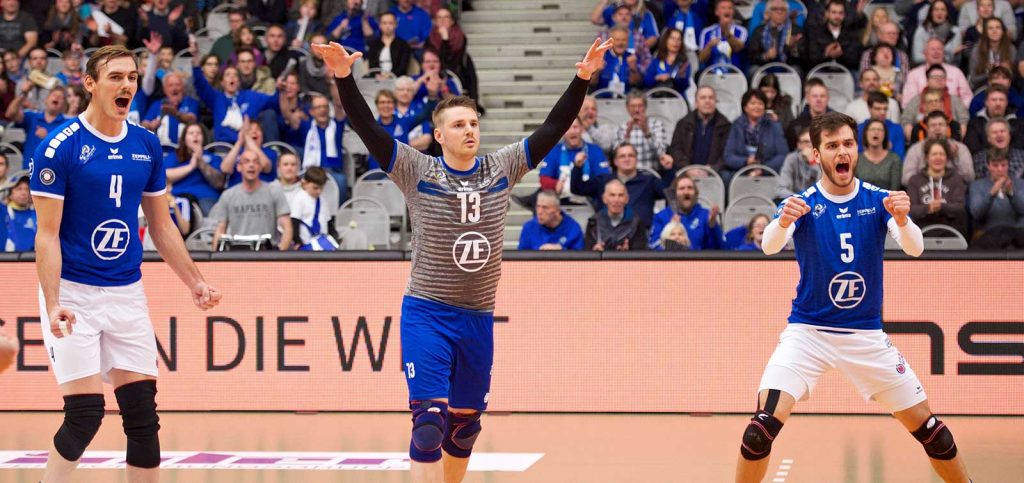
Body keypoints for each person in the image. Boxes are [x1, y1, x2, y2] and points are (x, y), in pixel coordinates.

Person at [312, 37, 613, 483]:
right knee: (429, 426)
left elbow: (552, 128)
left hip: (477, 317)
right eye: (458, 125)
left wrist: (582, 78)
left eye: (473, 123)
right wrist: (343, 76)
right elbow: (368, 128)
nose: (469, 130)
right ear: (439, 135)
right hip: (427, 313)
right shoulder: (417, 170)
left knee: (465, 427)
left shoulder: (501, 168)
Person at [735, 112, 973, 483]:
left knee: (933, 433)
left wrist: (904, 220)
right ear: (817, 155)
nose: (842, 152)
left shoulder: (878, 200)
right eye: (832, 146)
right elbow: (769, 246)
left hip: (865, 337)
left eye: (848, 143)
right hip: (808, 333)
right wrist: (782, 222)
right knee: (759, 430)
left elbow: (915, 248)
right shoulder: (802, 203)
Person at [29, 44, 221, 483]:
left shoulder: (146, 144)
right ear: (90, 83)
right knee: (85, 415)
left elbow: (161, 224)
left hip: (126, 291)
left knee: (142, 416)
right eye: (115, 77)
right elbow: (47, 235)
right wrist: (54, 301)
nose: (127, 85)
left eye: (132, 77)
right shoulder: (59, 148)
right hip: (73, 291)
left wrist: (195, 281)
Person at [210, 149, 293, 251]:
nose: (251, 165)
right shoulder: (228, 195)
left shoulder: (274, 191)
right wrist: (215, 255)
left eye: (255, 162)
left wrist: (280, 254)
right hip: (237, 251)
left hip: (267, 252)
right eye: (247, 161)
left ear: (260, 167)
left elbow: (287, 227)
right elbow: (220, 230)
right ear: (239, 167)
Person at [572, 142, 669, 226]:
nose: (627, 159)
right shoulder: (603, 181)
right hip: (608, 233)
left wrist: (669, 170)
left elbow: (669, 193)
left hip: (642, 234)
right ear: (615, 161)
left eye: (631, 155)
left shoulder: (649, 181)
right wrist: (578, 167)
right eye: (622, 156)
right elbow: (577, 189)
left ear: (636, 159)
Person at [906, 138, 970, 236]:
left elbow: (959, 208)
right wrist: (929, 208)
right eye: (934, 154)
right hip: (922, 232)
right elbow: (912, 209)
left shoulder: (957, 179)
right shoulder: (915, 180)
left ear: (947, 158)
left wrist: (941, 206)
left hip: (951, 232)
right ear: (927, 158)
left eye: (942, 154)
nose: (938, 158)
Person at [538, 117, 610, 203]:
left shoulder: (595, 150)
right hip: (560, 201)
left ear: (582, 129)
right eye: (567, 128)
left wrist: (585, 187)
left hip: (590, 201)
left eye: (575, 127)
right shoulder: (554, 151)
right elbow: (544, 178)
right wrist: (555, 184)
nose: (572, 131)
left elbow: (603, 179)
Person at [724, 89, 788, 181]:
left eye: (760, 103)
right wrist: (746, 161)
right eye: (753, 103)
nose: (757, 107)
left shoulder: (774, 126)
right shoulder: (736, 125)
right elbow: (728, 156)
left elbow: (782, 155)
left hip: (767, 173)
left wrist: (762, 169)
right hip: (741, 171)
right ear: (745, 107)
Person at [164, 123, 225, 215]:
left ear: (203, 138)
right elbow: (164, 176)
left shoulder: (213, 157)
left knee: (213, 216)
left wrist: (201, 162)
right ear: (184, 139)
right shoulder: (175, 156)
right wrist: (190, 167)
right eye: (191, 133)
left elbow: (219, 183)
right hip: (179, 196)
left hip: (206, 196)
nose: (195, 135)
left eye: (199, 133)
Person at [649, 174, 722, 250]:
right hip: (671, 258)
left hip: (697, 257)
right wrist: (669, 230)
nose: (686, 192)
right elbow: (653, 246)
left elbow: (719, 249)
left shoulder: (706, 216)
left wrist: (712, 228)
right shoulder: (661, 217)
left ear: (696, 193)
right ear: (674, 194)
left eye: (690, 188)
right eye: (682, 188)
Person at [902, 110, 975, 186]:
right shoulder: (915, 149)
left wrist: (956, 158)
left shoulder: (960, 148)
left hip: (954, 190)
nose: (937, 128)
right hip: (923, 190)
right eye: (933, 125)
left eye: (941, 125)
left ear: (947, 128)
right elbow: (906, 179)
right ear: (927, 129)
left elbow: (969, 177)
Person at [669, 86, 730, 173]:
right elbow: (675, 150)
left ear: (715, 102)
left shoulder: (726, 126)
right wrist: (688, 168)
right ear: (696, 102)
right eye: (703, 98)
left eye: (711, 98)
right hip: (687, 172)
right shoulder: (683, 124)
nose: (707, 101)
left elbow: (727, 154)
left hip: (715, 173)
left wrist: (713, 168)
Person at [5, 86, 67, 170]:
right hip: (28, 171)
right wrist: (23, 93)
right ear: (46, 100)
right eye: (54, 95)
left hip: (52, 173)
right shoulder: (32, 117)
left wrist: (47, 138)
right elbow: (10, 114)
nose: (57, 97)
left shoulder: (67, 124)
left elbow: (67, 151)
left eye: (60, 97)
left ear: (64, 105)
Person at [901, 38, 973, 108]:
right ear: (925, 53)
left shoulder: (956, 72)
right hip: (922, 113)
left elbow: (968, 97)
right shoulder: (914, 74)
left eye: (939, 49)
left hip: (953, 113)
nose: (936, 52)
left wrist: (957, 110)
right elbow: (907, 102)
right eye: (932, 49)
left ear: (943, 53)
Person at [969, 148, 1024, 237]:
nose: (1000, 169)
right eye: (995, 165)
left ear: (1008, 165)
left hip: (1016, 234)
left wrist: (1011, 194)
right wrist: (991, 193)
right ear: (988, 166)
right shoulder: (977, 185)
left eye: (1003, 165)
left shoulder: (1020, 184)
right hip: (988, 234)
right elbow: (976, 213)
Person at [584, 178, 648, 251]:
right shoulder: (594, 222)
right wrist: (595, 252)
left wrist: (628, 251)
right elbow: (587, 251)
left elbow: (640, 253)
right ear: (604, 199)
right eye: (612, 195)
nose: (616, 200)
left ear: (627, 199)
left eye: (620, 195)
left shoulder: (636, 222)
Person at [614, 92, 670, 171]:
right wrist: (627, 134)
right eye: (633, 106)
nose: (636, 110)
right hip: (628, 173)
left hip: (650, 173)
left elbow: (661, 154)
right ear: (627, 108)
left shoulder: (657, 125)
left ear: (645, 107)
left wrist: (647, 133)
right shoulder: (622, 128)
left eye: (640, 106)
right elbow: (617, 156)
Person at [290, 166, 341, 251]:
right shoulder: (300, 198)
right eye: (315, 188)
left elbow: (328, 222)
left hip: (322, 242)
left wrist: (334, 236)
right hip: (306, 243)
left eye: (321, 188)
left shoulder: (323, 200)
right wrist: (298, 241)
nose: (319, 191)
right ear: (304, 183)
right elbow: (294, 222)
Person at [141, 72, 200, 146]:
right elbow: (144, 123)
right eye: (170, 85)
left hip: (183, 149)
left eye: (177, 85)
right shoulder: (158, 104)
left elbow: (192, 119)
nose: (174, 88)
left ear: (183, 87)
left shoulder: (191, 102)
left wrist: (175, 113)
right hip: (161, 148)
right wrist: (150, 125)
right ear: (165, 90)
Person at [963, 85, 1023, 154]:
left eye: (1001, 100)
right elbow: (973, 147)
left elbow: (1020, 146)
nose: (998, 103)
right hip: (983, 159)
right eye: (994, 100)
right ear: (986, 102)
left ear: (1006, 102)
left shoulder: (1019, 124)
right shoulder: (974, 124)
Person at [746, 0, 804, 71]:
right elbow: (751, 56)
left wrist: (793, 49)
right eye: (775, 9)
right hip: (764, 67)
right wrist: (766, 56)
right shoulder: (759, 30)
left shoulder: (796, 30)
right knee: (753, 70)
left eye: (783, 9)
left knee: (797, 69)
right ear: (768, 13)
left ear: (787, 12)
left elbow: (804, 59)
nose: (779, 12)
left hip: (788, 67)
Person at [517, 190, 585, 251]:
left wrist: (561, 252)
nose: (539, 212)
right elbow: (521, 256)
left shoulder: (573, 228)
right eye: (538, 207)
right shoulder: (529, 228)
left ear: (557, 210)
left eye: (545, 207)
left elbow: (580, 257)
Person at [804, 0, 861, 71]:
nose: (837, 16)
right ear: (827, 14)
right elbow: (810, 59)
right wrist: (825, 54)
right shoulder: (816, 32)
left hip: (845, 70)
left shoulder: (851, 33)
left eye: (840, 13)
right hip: (821, 71)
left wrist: (842, 54)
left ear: (844, 15)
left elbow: (855, 59)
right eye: (834, 12)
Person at [698, 0, 747, 70]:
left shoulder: (741, 31)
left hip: (735, 73)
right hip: (711, 73)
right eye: (723, 8)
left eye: (730, 8)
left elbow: (738, 48)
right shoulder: (706, 32)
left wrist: (728, 34)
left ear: (733, 12)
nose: (727, 10)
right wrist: (709, 46)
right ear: (716, 12)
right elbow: (701, 59)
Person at [910, 0, 963, 66]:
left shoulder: (955, 31)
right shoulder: (921, 31)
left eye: (943, 10)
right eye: (936, 9)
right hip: (925, 68)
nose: (939, 12)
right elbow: (917, 57)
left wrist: (931, 56)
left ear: (947, 13)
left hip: (949, 68)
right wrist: (946, 56)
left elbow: (957, 59)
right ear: (930, 13)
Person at [968, 18, 1015, 89]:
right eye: (990, 28)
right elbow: (974, 79)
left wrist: (1008, 71)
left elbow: (1017, 77)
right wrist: (990, 72)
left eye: (998, 28)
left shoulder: (1011, 49)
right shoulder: (977, 50)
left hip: (1007, 88)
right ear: (985, 32)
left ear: (1003, 31)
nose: (994, 31)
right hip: (983, 88)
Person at [857, 119, 902, 190]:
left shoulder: (894, 159)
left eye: (879, 130)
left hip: (888, 196)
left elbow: (895, 189)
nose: (876, 132)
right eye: (872, 129)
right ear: (866, 134)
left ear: (885, 135)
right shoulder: (857, 159)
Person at [857, 92, 906, 158]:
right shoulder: (859, 129)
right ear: (869, 108)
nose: (882, 112)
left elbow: (900, 158)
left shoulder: (896, 129)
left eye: (885, 109)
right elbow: (856, 156)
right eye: (878, 109)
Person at [776, 127, 820, 200]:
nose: (810, 145)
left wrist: (812, 163)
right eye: (806, 142)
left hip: (817, 202)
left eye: (813, 141)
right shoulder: (792, 159)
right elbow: (780, 189)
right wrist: (800, 199)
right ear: (799, 145)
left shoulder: (822, 159)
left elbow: (821, 190)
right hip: (796, 201)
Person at [643, 28, 690, 97]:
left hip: (677, 99)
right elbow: (646, 82)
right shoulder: (656, 62)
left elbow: (684, 86)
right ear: (666, 41)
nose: (676, 42)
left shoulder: (684, 63)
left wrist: (681, 76)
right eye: (672, 38)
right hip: (657, 98)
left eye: (678, 39)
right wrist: (657, 78)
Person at [367, 11, 412, 77]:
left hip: (397, 78)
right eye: (384, 23)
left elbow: (402, 67)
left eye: (390, 23)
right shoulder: (374, 45)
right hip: (376, 79)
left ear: (396, 25)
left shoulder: (403, 45)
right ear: (380, 25)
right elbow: (372, 64)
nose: (387, 26)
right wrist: (377, 75)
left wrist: (389, 76)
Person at [3, 174, 35, 251]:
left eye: (27, 189)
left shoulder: (37, 215)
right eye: (19, 189)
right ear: (9, 194)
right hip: (6, 257)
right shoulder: (3, 214)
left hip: (34, 257)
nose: (24, 193)